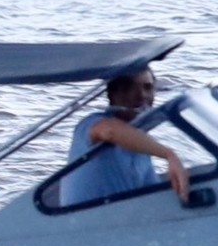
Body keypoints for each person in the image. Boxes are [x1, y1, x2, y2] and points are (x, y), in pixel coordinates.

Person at [60, 66, 191, 206]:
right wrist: (169, 155)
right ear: (113, 95)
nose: (141, 95)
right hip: (85, 224)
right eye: (129, 88)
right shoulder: (90, 124)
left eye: (147, 87)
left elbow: (152, 196)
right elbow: (110, 131)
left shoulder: (141, 143)